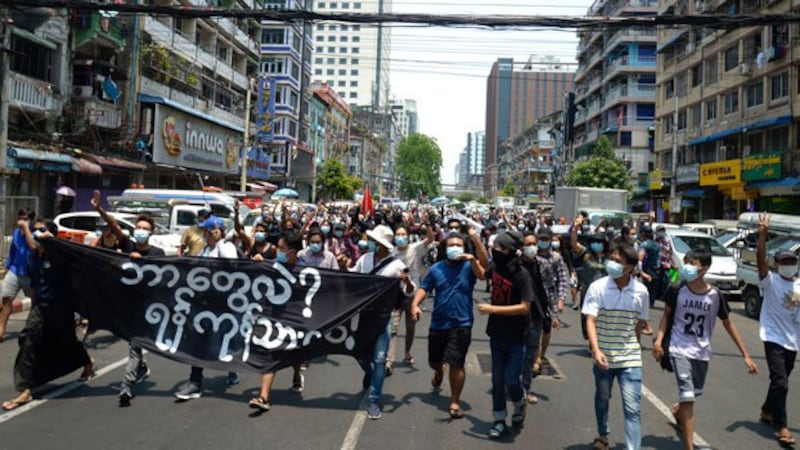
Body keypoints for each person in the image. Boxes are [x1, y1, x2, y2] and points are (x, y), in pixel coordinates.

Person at [652, 249, 757, 450]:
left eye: (694, 263)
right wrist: (659, 341)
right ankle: (689, 446)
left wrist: (746, 355)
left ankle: (678, 411)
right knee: (688, 396)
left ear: (705, 268)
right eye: (687, 262)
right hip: (679, 348)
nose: (688, 267)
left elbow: (728, 324)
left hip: (702, 352)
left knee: (692, 394)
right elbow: (666, 316)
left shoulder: (715, 295)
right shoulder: (676, 289)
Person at [2, 220, 95, 411]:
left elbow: (78, 261)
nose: (37, 234)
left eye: (42, 231)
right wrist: (34, 306)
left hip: (61, 308)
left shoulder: (60, 256)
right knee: (28, 341)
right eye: (35, 231)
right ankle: (25, 390)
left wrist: (53, 241)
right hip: (40, 308)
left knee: (67, 341)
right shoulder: (32, 258)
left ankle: (86, 362)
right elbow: (35, 285)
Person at [410, 231, 485, 419]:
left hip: (462, 323)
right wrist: (414, 305)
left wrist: (473, 258)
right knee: (434, 361)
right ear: (445, 248)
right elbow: (424, 288)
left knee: (456, 363)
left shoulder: (469, 266)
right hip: (438, 323)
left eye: (458, 245)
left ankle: (454, 401)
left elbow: (483, 275)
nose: (455, 248)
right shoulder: (436, 269)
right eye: (451, 245)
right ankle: (438, 373)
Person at [582, 245, 649, 450]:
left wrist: (635, 348)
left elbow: (639, 324)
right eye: (611, 258)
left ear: (630, 267)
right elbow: (590, 320)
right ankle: (603, 435)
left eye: (618, 261)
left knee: (633, 408)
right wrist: (596, 350)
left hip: (630, 358)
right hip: (604, 356)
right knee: (603, 398)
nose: (612, 263)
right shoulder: (598, 287)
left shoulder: (641, 292)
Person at [345, 225, 415, 420]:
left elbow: (410, 290)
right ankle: (369, 372)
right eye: (372, 242)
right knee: (358, 352)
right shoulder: (365, 259)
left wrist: (407, 282)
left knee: (380, 358)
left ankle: (374, 400)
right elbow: (353, 275)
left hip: (383, 316)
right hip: (362, 315)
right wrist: (344, 266)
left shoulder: (396, 265)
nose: (373, 245)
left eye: (376, 242)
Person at [174, 216, 240, 401]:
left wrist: (219, 242)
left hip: (224, 304)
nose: (204, 234)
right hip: (204, 304)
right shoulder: (204, 250)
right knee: (199, 341)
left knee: (224, 340)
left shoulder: (227, 247)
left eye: (207, 230)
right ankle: (195, 382)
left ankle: (232, 368)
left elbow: (232, 265)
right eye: (204, 230)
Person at [478, 231, 534, 439]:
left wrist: (493, 309)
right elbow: (483, 271)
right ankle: (499, 419)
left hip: (517, 336)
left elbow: (525, 307)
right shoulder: (496, 268)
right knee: (497, 380)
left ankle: (520, 403)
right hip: (496, 334)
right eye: (495, 247)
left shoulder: (521, 275)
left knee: (512, 379)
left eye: (500, 248)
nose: (496, 251)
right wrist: (475, 245)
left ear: (510, 251)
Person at [755, 213, 800, 446]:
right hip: (772, 336)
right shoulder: (770, 280)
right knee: (781, 382)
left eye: (793, 263)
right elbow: (760, 259)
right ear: (777, 265)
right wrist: (763, 235)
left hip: (793, 340)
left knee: (779, 381)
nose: (789, 266)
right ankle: (782, 426)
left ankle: (766, 410)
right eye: (784, 263)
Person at [249, 231, 306, 412]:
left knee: (295, 350)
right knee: (270, 350)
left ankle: (297, 374)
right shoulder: (273, 265)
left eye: (282, 248)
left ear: (293, 251)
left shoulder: (306, 270)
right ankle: (264, 396)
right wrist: (258, 264)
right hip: (276, 315)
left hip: (297, 316)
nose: (278, 251)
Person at [114, 212, 166, 406]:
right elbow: (115, 228)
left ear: (151, 233)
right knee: (131, 342)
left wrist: (142, 263)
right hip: (127, 305)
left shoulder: (157, 253)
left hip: (147, 307)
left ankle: (126, 385)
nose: (141, 231)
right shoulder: (127, 246)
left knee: (135, 346)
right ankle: (141, 368)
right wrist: (100, 209)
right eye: (139, 227)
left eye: (145, 229)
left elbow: (162, 278)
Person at [386, 222, 435, 373]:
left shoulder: (416, 248)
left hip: (413, 295)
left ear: (408, 237)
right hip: (396, 294)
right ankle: (389, 361)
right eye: (398, 235)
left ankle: (407, 353)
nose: (400, 238)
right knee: (393, 329)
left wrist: (427, 224)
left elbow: (431, 238)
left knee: (410, 328)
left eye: (403, 235)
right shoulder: (391, 252)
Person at [0, 209, 38, 341]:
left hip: (31, 274)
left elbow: (34, 246)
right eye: (20, 218)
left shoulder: (37, 233)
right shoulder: (16, 233)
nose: (22, 221)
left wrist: (26, 229)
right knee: (6, 300)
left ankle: (31, 329)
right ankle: (1, 329)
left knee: (35, 304)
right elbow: (13, 251)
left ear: (31, 220)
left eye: (26, 218)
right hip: (15, 271)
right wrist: (7, 268)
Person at [638, 224, 663, 336]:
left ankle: (647, 326)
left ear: (643, 234)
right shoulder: (657, 245)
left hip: (647, 274)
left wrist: (641, 272)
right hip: (657, 274)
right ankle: (644, 324)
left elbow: (640, 259)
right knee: (646, 301)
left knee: (642, 301)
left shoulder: (645, 245)